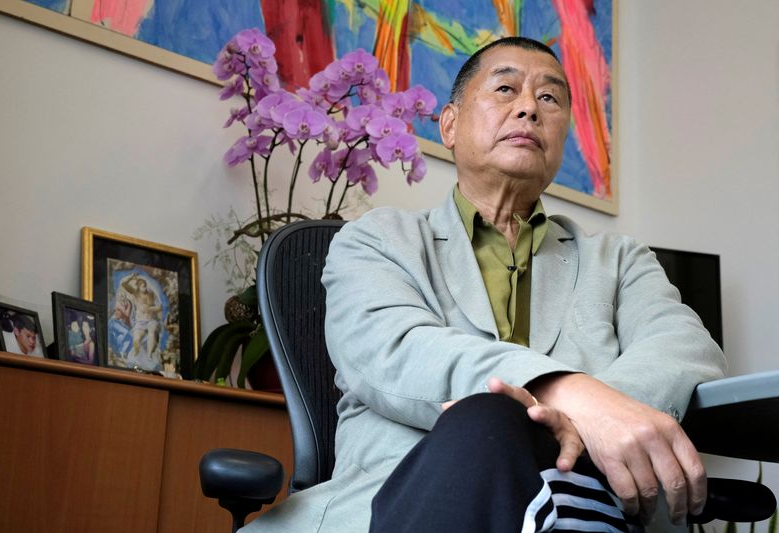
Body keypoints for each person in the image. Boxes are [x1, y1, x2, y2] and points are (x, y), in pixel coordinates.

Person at [245, 37, 725, 532]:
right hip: (402, 504)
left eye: (550, 98)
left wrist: (596, 419)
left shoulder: (619, 260)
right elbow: (396, 348)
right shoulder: (376, 240)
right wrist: (568, 391)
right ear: (449, 125)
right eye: (505, 89)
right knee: (487, 423)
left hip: (585, 499)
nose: (528, 110)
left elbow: (687, 349)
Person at [120, 272, 162, 366]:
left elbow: (159, 306)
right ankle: (136, 352)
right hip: (140, 322)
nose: (145, 288)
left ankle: (149, 355)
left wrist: (152, 308)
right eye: (143, 286)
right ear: (138, 287)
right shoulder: (135, 293)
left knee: (152, 330)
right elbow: (123, 284)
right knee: (136, 340)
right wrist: (131, 277)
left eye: (145, 285)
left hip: (151, 320)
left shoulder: (151, 293)